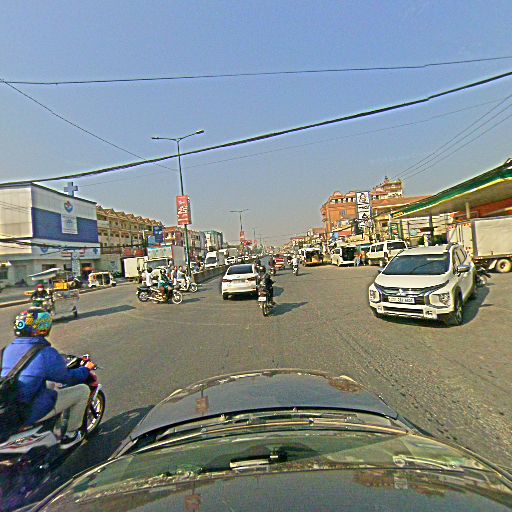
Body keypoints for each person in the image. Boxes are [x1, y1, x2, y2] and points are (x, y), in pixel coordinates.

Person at [1, 308, 95, 448]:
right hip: (26, 411)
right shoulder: (45, 353)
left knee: (47, 385)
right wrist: (86, 369)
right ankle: (71, 435)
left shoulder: (7, 349)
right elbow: (68, 377)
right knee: (82, 391)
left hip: (8, 400)